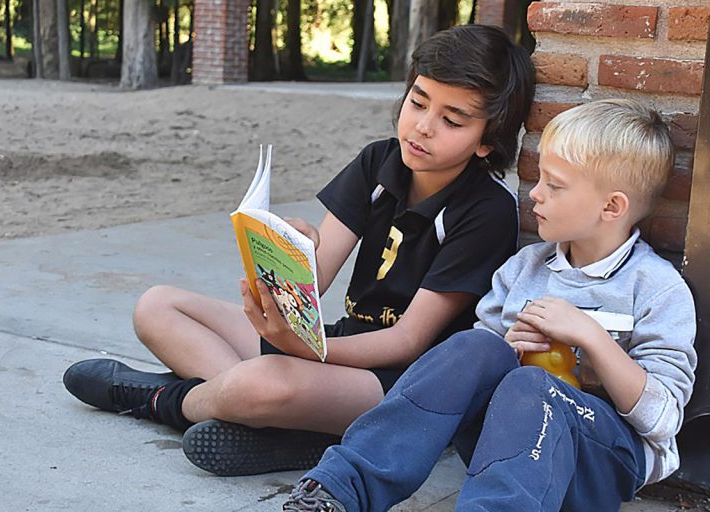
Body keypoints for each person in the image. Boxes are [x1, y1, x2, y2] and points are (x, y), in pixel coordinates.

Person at [62, 24, 536, 476]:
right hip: (342, 346)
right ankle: (269, 417)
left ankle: (162, 400)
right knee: (158, 306)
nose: (423, 127)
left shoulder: (486, 209)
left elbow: (408, 343)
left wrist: (309, 352)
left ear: (486, 141)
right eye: (418, 101)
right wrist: (291, 253)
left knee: (261, 383)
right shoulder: (380, 161)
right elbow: (316, 278)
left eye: (452, 120)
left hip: (408, 386)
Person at [281, 98, 698, 512]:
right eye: (539, 179)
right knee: (474, 348)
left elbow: (662, 420)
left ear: (612, 207)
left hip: (600, 460)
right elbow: (473, 378)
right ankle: (340, 490)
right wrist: (511, 350)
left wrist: (591, 338)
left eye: (554, 185)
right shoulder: (524, 270)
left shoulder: (657, 288)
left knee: (533, 386)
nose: (534, 194)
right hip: (506, 447)